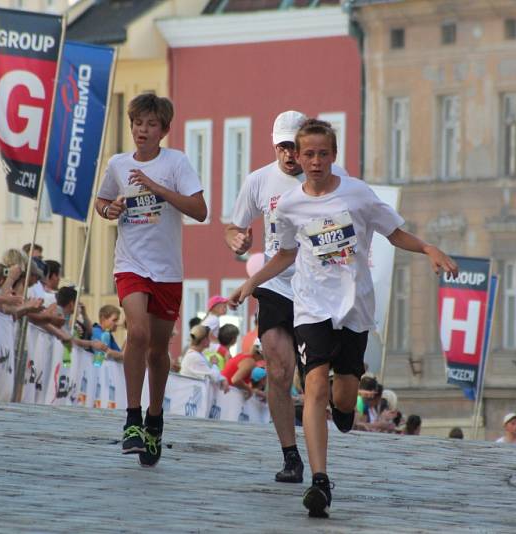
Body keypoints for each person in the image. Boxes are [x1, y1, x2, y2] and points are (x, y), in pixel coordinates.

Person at [229, 118, 457, 518]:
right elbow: (283, 254)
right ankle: (320, 481)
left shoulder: (357, 195)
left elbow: (394, 232)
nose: (315, 161)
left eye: (322, 154)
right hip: (312, 305)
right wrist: (251, 284)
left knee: (342, 396)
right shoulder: (290, 206)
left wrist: (428, 249)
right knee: (313, 385)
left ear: (333, 156)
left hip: (354, 306)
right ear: (297, 157)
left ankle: (345, 408)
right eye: (308, 154)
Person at [224, 110, 348, 485]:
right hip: (275, 285)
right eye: (282, 147)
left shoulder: (330, 182)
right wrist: (236, 240)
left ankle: (338, 407)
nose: (290, 155)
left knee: (318, 379)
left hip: (318, 288)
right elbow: (234, 227)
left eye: (295, 146)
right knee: (279, 370)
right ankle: (290, 455)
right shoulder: (259, 181)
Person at [95, 92, 207, 467]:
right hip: (130, 263)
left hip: (167, 270)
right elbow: (103, 202)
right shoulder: (117, 163)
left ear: (163, 130)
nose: (142, 130)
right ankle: (131, 418)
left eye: (151, 124)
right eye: (137, 123)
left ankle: (154, 419)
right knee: (137, 333)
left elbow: (200, 209)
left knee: (159, 351)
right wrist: (109, 209)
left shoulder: (176, 162)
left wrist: (156, 188)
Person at [179, 325, 229, 392]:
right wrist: (214, 364)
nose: (210, 340)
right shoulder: (194, 357)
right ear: (204, 340)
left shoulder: (198, 354)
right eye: (208, 338)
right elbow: (214, 377)